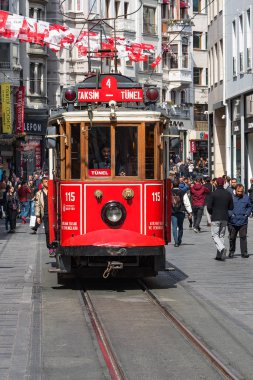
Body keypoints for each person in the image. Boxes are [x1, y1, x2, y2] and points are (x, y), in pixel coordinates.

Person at [207, 177, 234, 261]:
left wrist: (212, 213)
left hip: (215, 217)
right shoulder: (228, 194)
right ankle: (219, 255)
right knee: (221, 235)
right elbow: (231, 207)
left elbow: (209, 207)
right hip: (225, 217)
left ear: (216, 183)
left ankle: (222, 248)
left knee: (214, 235)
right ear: (223, 183)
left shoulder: (213, 194)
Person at [227, 184, 252, 258]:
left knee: (243, 237)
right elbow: (227, 207)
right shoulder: (231, 197)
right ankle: (231, 251)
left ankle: (244, 252)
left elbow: (250, 206)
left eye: (241, 191)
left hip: (243, 221)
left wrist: (247, 214)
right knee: (232, 238)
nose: (240, 193)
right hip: (232, 221)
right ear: (236, 190)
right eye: (238, 191)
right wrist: (231, 215)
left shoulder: (246, 198)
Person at [34, 176, 55, 257]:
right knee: (47, 231)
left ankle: (54, 247)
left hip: (53, 215)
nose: (47, 182)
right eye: (45, 181)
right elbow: (37, 205)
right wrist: (38, 216)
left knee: (54, 231)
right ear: (42, 183)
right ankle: (50, 247)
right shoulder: (39, 193)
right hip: (45, 215)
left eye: (48, 181)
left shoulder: (53, 191)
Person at [171, 178, 192, 247]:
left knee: (174, 227)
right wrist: (189, 212)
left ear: (172, 185)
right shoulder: (182, 192)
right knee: (180, 226)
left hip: (173, 211)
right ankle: (179, 239)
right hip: (181, 211)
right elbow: (186, 202)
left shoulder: (169, 192)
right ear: (179, 185)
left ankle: (176, 241)